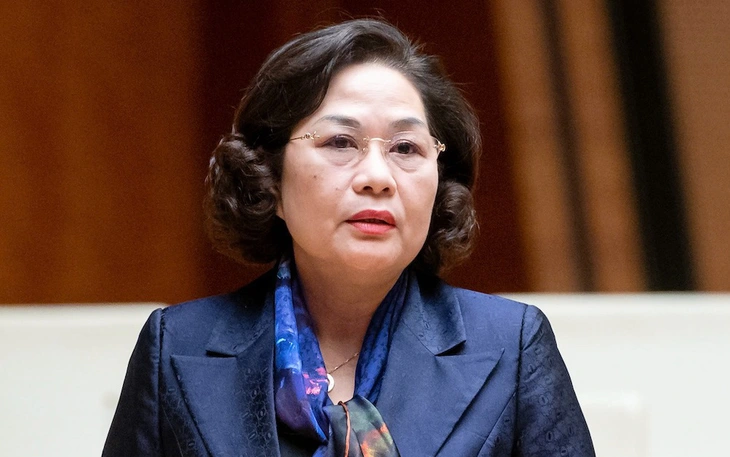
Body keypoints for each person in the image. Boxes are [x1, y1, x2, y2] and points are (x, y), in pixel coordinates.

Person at [103, 18, 595, 457]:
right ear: (268, 180)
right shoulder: (176, 346)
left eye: (406, 148)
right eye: (340, 142)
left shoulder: (513, 345)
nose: (377, 177)